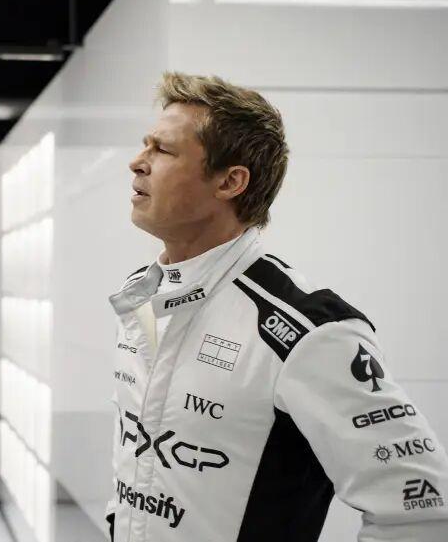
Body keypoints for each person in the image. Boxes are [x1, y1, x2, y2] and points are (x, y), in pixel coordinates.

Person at [104, 72, 448, 541]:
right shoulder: (142, 296)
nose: (137, 162)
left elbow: (424, 511)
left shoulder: (309, 331)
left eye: (162, 150)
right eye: (145, 145)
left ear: (230, 181)